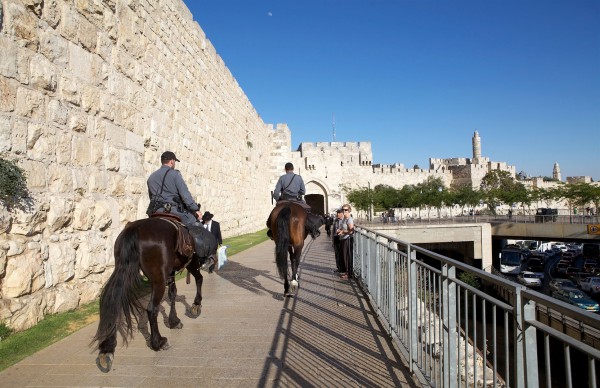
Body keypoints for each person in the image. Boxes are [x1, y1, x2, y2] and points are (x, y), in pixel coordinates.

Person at [147, 151, 214, 269]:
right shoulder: (174, 174)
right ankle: (204, 259)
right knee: (197, 225)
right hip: (173, 211)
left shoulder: (151, 177)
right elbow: (185, 195)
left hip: (156, 212)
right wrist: (195, 209)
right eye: (174, 162)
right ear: (172, 161)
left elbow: (151, 197)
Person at [268, 162, 320, 239]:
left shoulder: (282, 178)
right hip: (296, 200)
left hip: (284, 200)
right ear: (293, 169)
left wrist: (278, 199)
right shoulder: (299, 178)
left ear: (285, 169)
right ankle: (312, 230)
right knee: (307, 211)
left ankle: (271, 231)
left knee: (273, 215)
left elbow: (276, 192)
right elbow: (303, 191)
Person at [337, 204, 355, 280]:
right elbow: (344, 228)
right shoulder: (344, 218)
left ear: (349, 210)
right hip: (343, 239)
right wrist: (340, 230)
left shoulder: (349, 219)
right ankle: (346, 272)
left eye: (346, 210)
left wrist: (343, 232)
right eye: (343, 210)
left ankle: (348, 274)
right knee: (344, 256)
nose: (344, 211)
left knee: (347, 257)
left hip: (347, 239)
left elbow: (351, 230)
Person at [332, 208, 346, 274]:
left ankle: (344, 269)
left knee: (342, 254)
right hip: (336, 237)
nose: (337, 214)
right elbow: (333, 231)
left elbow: (348, 229)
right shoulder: (336, 220)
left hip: (342, 238)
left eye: (339, 213)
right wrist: (332, 241)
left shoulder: (345, 220)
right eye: (337, 213)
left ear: (342, 213)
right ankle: (339, 268)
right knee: (337, 254)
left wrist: (341, 230)